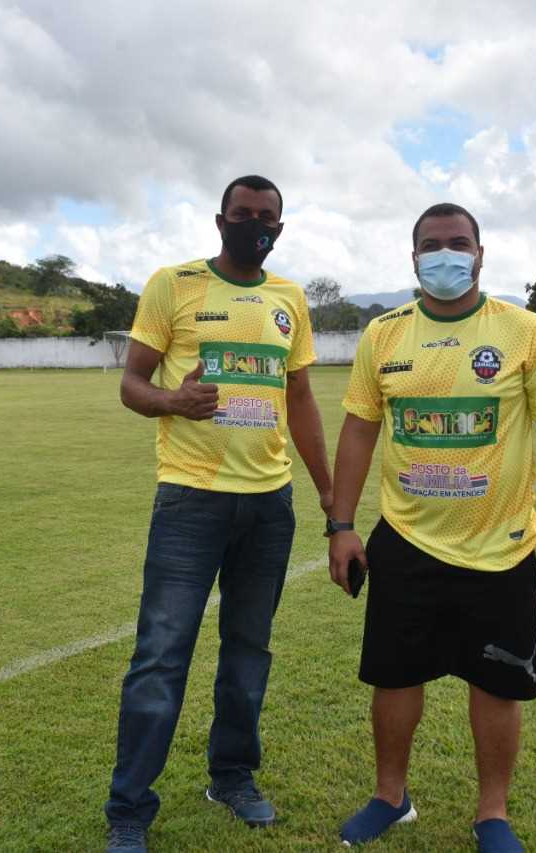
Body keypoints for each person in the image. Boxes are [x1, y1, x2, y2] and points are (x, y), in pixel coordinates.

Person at [327, 203, 536, 852]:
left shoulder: (526, 332)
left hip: (501, 547)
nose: (447, 254)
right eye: (433, 245)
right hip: (405, 540)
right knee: (394, 677)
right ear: (414, 258)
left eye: (459, 243)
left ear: (480, 254)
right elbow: (358, 431)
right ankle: (390, 797)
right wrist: (341, 525)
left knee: (496, 684)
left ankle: (491, 813)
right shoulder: (383, 335)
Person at [104, 176, 333, 853]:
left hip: (269, 504)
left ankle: (232, 777)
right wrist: (171, 401)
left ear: (279, 229)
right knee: (161, 654)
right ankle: (129, 810)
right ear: (220, 220)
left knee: (248, 651)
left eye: (266, 217)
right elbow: (132, 383)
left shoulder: (289, 299)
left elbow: (300, 400)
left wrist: (329, 494)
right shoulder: (173, 285)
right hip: (190, 500)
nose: (253, 224)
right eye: (242, 213)